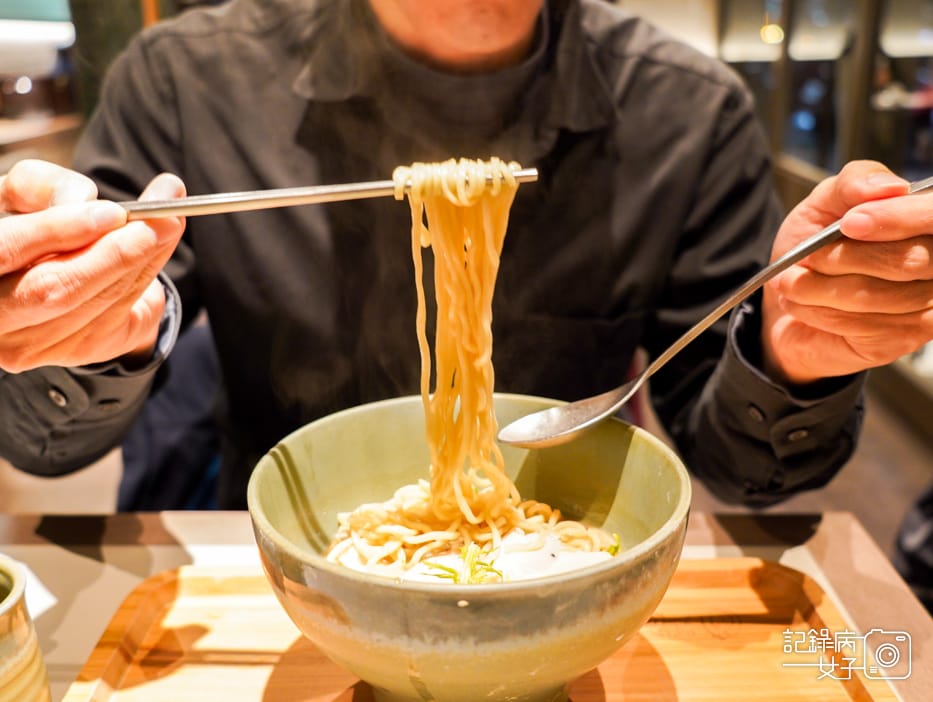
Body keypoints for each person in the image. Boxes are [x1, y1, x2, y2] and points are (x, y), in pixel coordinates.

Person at [0, 0, 931, 513]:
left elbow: (740, 470)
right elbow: (47, 439)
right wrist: (84, 325)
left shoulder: (687, 112)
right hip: (282, 556)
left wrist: (791, 353)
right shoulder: (185, 78)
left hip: (562, 553)